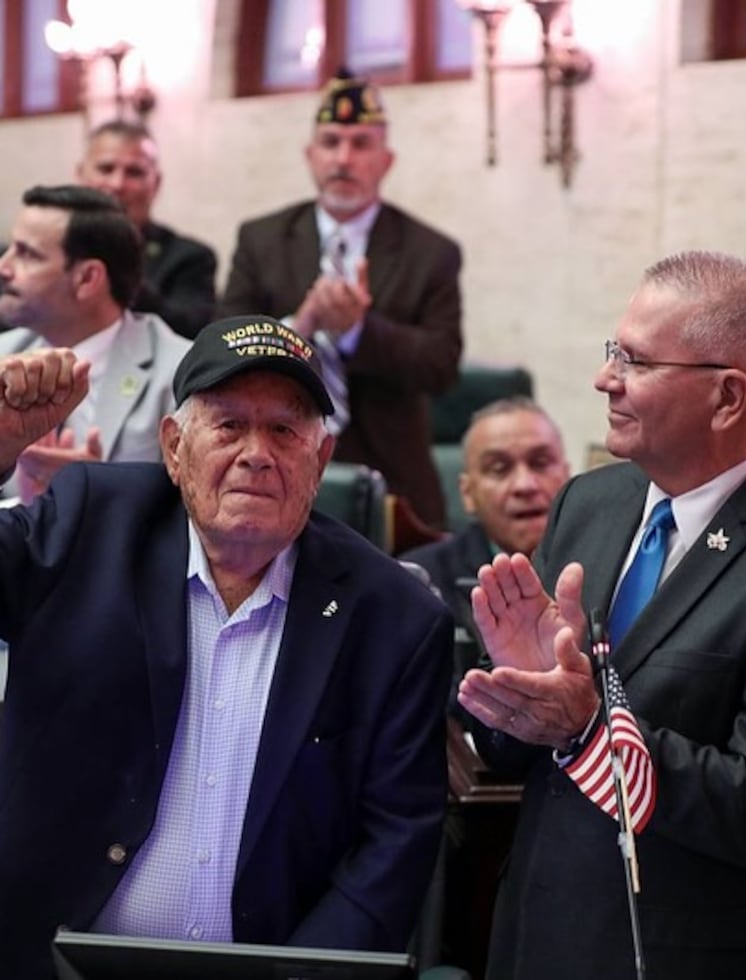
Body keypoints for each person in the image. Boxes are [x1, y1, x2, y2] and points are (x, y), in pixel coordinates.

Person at [456, 250, 746, 980]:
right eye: (613, 351)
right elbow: (513, 747)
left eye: (636, 361)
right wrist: (516, 693)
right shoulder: (589, 503)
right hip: (537, 934)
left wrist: (592, 730)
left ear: (727, 397)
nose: (606, 378)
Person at [0, 315, 453, 980]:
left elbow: (394, 842)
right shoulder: (90, 523)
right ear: (174, 447)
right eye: (229, 425)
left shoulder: (394, 619)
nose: (256, 453)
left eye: (285, 430)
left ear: (320, 459)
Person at [219, 69, 463, 528]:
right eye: (330, 143)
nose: (343, 159)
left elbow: (441, 366)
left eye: (360, 144)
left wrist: (358, 331)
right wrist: (301, 326)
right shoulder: (262, 239)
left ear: (386, 161)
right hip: (271, 469)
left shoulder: (430, 252)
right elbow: (221, 348)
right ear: (310, 156)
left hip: (394, 482)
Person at [0, 184, 191, 503]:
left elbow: (195, 509)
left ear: (87, 279)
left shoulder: (179, 373)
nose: (3, 267)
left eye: (27, 254)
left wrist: (97, 490)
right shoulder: (5, 356)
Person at [402, 395, 570, 652]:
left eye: (540, 464)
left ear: (568, 476)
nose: (525, 485)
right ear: (468, 493)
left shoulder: (609, 564)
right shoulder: (421, 581)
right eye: (499, 468)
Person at [76, 119, 217, 339]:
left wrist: (117, 267)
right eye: (106, 169)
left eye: (134, 172)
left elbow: (193, 332)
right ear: (80, 175)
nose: (117, 184)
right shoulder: (49, 252)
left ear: (156, 183)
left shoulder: (190, 258)